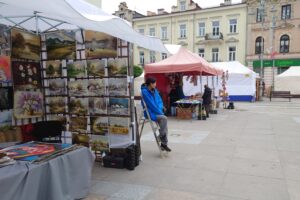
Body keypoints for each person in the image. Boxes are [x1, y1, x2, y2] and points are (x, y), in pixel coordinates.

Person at [141, 77, 171, 152]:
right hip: (150, 113)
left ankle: (164, 144)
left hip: (157, 111)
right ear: (150, 84)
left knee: (164, 126)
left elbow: (159, 101)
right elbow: (151, 105)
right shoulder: (144, 92)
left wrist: (161, 108)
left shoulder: (155, 91)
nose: (155, 84)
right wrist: (160, 111)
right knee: (164, 118)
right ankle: (161, 138)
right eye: (154, 83)